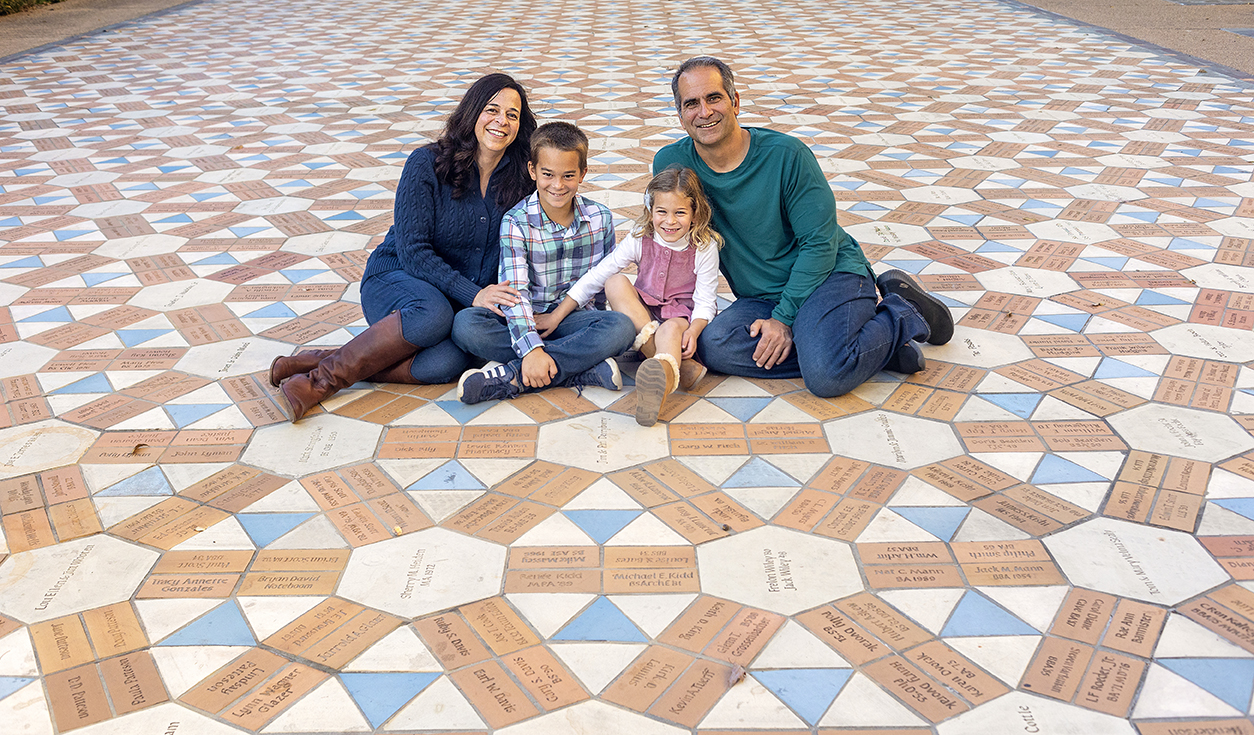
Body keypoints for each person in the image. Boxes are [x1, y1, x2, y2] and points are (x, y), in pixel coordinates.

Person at [651, 57, 954, 397]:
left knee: (826, 377)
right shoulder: (672, 164)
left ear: (735, 102)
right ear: (680, 116)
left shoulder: (788, 156)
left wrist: (783, 320)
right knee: (711, 345)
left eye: (714, 98)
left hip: (828, 277)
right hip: (760, 296)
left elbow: (820, 244)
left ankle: (902, 313)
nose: (704, 112)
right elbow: (673, 243)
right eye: (691, 103)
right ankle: (859, 349)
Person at [269, 73, 538, 421]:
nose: (501, 121)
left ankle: (321, 358)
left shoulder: (519, 180)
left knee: (445, 363)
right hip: (396, 278)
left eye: (512, 115)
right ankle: (317, 382)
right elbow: (413, 250)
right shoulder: (426, 163)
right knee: (434, 315)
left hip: (453, 300)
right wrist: (473, 294)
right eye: (492, 109)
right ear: (472, 112)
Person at [452, 122, 636, 403]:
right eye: (548, 174)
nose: (558, 185)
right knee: (466, 324)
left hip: (572, 319)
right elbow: (515, 294)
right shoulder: (516, 222)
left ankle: (513, 376)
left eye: (568, 176)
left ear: (583, 174)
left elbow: (599, 287)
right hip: (526, 317)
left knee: (620, 327)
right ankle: (578, 368)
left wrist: (581, 328)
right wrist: (531, 348)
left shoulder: (601, 218)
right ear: (532, 171)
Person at [551, 166, 721, 426]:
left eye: (680, 213)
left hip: (680, 316)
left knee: (670, 330)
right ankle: (677, 368)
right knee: (615, 281)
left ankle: (658, 389)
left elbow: (706, 300)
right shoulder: (641, 237)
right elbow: (599, 273)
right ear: (651, 210)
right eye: (662, 212)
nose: (670, 221)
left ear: (695, 214)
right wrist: (558, 314)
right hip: (642, 315)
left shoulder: (704, 246)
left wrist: (695, 330)